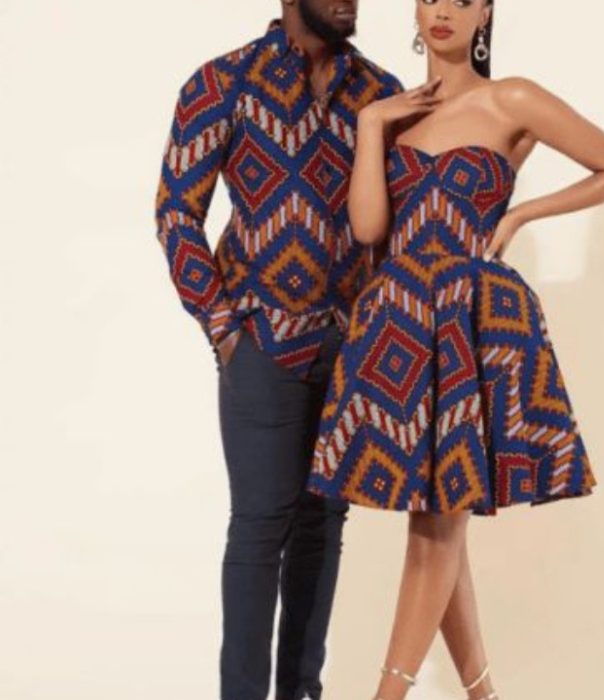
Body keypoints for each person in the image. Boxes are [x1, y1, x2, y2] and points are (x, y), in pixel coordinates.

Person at [306, 1, 604, 699]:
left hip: (474, 321)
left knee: (435, 527)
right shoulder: (389, 113)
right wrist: (371, 126)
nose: (445, 11)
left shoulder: (511, 98)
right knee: (438, 519)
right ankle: (484, 694)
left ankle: (385, 696)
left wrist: (520, 214)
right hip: (399, 325)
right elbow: (368, 229)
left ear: (485, 11)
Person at [153, 2, 404, 699]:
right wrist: (222, 325)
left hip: (351, 345)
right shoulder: (223, 82)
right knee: (261, 526)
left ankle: (302, 692)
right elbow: (176, 211)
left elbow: (399, 219)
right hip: (261, 342)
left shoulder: (380, 92)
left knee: (324, 525)